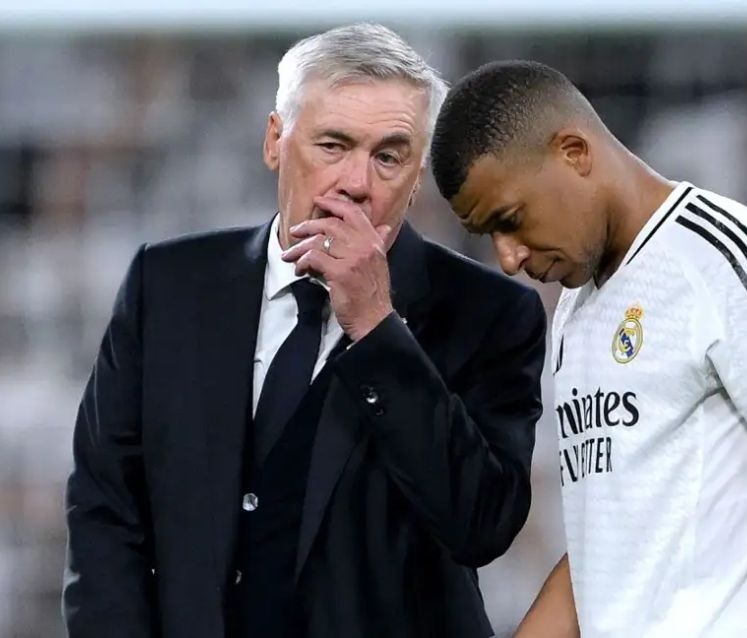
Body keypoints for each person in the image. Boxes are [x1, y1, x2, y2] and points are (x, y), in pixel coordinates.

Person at [63, 26, 546, 638]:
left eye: (389, 156)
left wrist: (377, 327)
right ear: (275, 141)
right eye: (333, 145)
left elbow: (481, 525)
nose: (356, 183)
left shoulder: (489, 314)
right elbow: (105, 511)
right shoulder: (168, 285)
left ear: (418, 175)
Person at [429, 60, 747, 638]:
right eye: (488, 234)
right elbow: (606, 551)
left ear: (573, 152)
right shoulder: (576, 311)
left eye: (511, 220)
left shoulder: (726, 263)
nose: (508, 257)